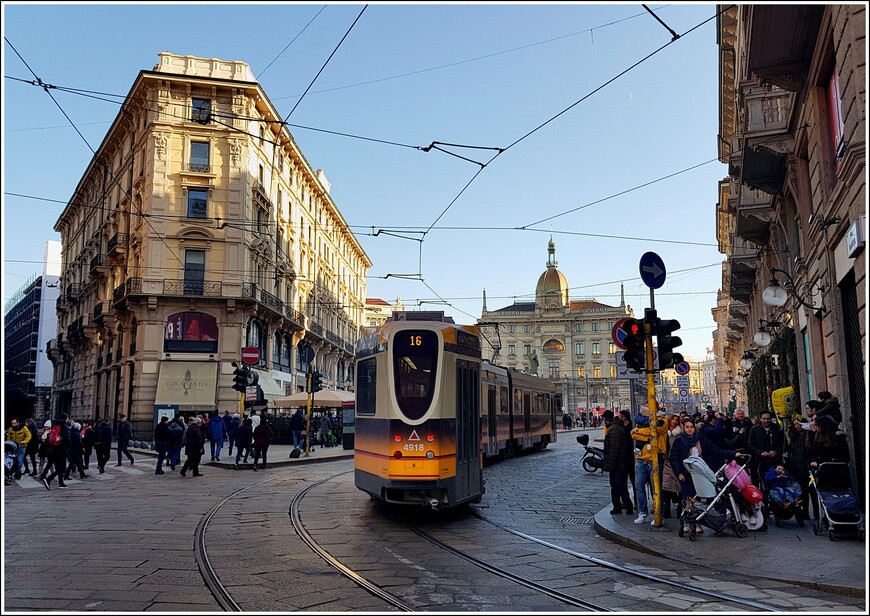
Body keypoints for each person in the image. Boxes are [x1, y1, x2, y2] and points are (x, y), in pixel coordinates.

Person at [669, 416, 737, 533]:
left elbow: (715, 450)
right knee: (687, 497)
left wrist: (733, 454)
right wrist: (679, 472)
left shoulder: (701, 440)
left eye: (691, 427)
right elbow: (674, 458)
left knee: (698, 498)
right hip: (686, 473)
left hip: (699, 473)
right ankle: (687, 522)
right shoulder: (679, 441)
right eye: (687, 427)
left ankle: (697, 522)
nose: (689, 430)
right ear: (684, 428)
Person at [629, 405, 667, 525]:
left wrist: (641, 433)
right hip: (641, 459)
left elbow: (653, 430)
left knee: (656, 488)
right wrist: (647, 437)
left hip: (654, 458)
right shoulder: (641, 420)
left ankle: (658, 513)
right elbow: (633, 434)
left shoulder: (663, 420)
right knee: (639, 486)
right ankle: (643, 513)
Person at [601, 410, 632, 515]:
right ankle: (619, 506)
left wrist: (610, 464)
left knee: (618, 485)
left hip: (618, 464)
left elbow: (614, 449)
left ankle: (626, 506)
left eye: (604, 418)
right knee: (617, 485)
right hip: (619, 463)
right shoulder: (615, 428)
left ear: (606, 419)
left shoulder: (614, 429)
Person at [747, 410, 784, 484]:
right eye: (764, 419)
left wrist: (775, 452)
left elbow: (783, 445)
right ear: (760, 419)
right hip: (760, 461)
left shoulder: (777, 429)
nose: (766, 421)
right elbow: (750, 445)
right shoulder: (754, 429)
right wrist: (760, 452)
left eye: (768, 419)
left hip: (775, 461)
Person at [40, 413, 71, 490]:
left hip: (54, 449)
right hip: (62, 449)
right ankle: (49, 479)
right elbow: (66, 438)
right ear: (65, 418)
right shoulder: (65, 426)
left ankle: (61, 483)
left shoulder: (55, 425)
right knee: (62, 467)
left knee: (58, 467)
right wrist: (70, 444)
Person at [660, 414, 682, 519]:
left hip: (676, 461)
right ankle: (666, 509)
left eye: (676, 420)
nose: (674, 421)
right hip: (666, 462)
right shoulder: (664, 432)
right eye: (672, 419)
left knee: (678, 487)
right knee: (666, 486)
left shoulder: (679, 434)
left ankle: (678, 509)